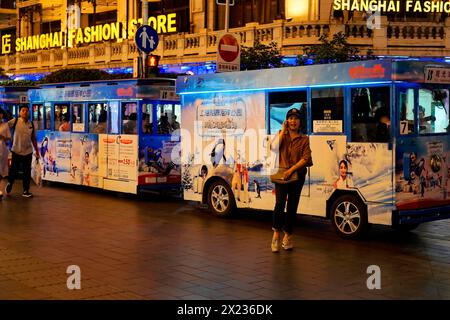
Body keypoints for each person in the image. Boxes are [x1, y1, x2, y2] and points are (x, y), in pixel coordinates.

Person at [270, 108, 313, 252]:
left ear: (300, 122)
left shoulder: (304, 139)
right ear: (286, 121)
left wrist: (292, 170)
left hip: (297, 176)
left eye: (296, 118)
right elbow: (274, 147)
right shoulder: (282, 135)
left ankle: (287, 236)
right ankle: (276, 235)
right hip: (281, 175)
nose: (293, 121)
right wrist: (282, 130)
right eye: (290, 118)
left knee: (292, 206)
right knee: (280, 203)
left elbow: (306, 158)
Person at [5, 105, 40, 198]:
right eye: (23, 110)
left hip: (28, 152)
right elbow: (4, 128)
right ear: (20, 112)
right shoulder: (15, 121)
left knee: (26, 172)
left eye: (26, 111)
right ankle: (10, 183)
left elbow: (33, 138)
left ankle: (26, 190)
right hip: (16, 151)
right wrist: (5, 139)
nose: (25, 112)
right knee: (13, 170)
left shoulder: (31, 124)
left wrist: (37, 150)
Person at [0, 108, 11, 198]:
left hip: (2, 150)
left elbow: (8, 138)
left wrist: (2, 137)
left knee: (0, 170)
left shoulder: (5, 125)